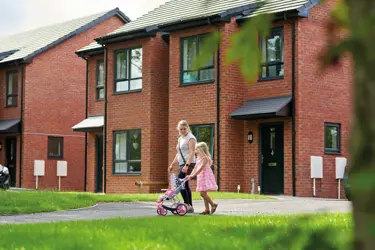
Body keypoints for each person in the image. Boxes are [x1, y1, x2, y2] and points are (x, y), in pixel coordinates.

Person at [168, 120, 196, 213]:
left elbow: (192, 152)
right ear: (178, 129)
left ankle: (187, 205)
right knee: (184, 184)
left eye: (184, 129)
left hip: (189, 163)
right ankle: (189, 206)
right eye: (181, 129)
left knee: (179, 183)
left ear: (187, 128)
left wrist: (187, 165)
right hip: (181, 164)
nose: (183, 131)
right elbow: (178, 153)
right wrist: (172, 164)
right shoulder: (180, 138)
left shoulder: (191, 138)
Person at [188, 142, 218, 215]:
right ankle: (207, 209)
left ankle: (213, 204)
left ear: (201, 150)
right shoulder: (198, 158)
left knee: (202, 194)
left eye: (196, 149)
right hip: (201, 177)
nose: (195, 151)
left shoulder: (205, 158)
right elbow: (195, 167)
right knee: (204, 193)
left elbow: (201, 168)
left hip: (205, 177)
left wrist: (194, 175)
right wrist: (190, 175)